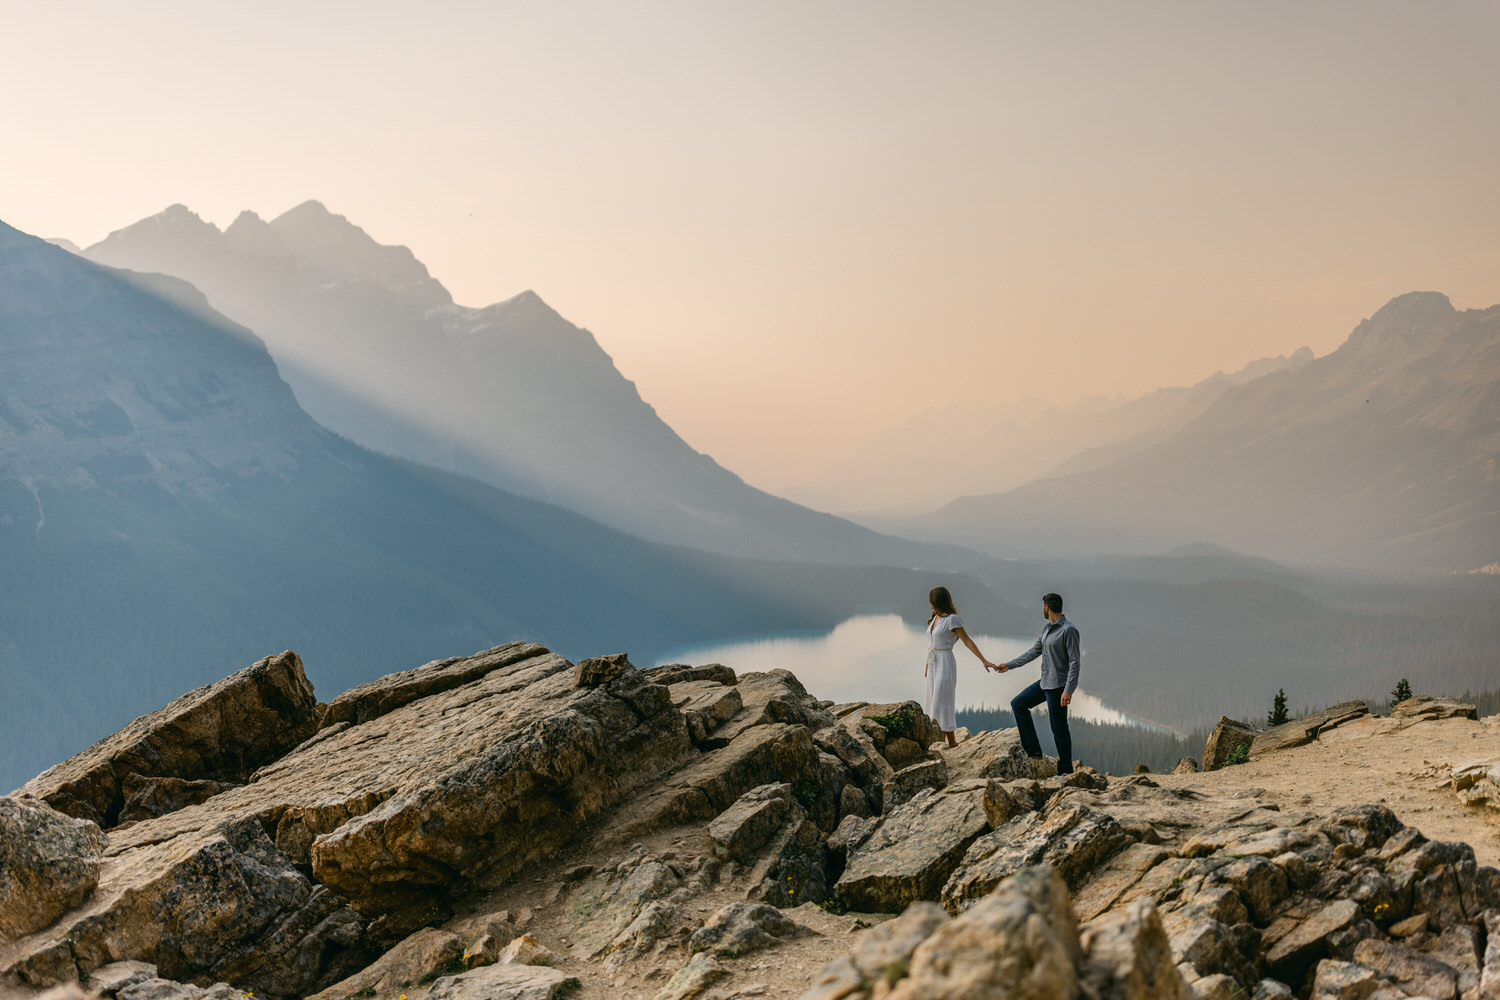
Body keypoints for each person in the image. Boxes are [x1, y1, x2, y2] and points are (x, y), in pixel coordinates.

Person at [995, 592, 1080, 774]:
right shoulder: (1046, 629)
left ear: (1047, 607)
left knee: (1059, 729)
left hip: (1058, 688)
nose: (1043, 609)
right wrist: (1008, 665)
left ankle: (1065, 771)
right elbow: (1033, 652)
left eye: (1043, 606)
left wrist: (1069, 690)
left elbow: (1075, 662)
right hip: (1044, 683)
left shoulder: (1068, 630)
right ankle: (1033, 751)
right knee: (1018, 704)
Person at [924, 586, 996, 748]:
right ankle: (952, 743)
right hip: (934, 663)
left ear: (936, 601)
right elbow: (931, 645)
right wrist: (927, 665)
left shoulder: (952, 619)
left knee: (941, 703)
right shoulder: (935, 618)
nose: (929, 604)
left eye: (931, 600)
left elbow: (967, 641)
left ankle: (942, 744)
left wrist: (983, 660)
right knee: (933, 703)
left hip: (945, 662)